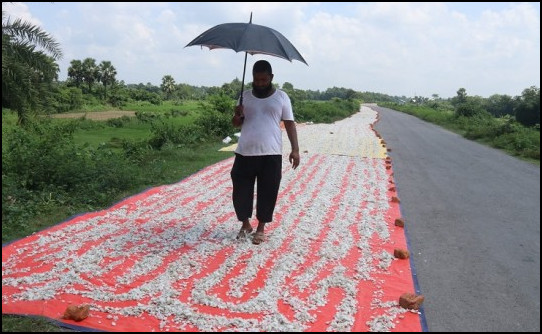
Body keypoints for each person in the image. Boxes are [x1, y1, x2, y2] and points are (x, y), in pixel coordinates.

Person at [230, 60, 300, 245]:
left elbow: (290, 123)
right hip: (245, 152)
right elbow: (236, 123)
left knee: (268, 191)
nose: (260, 83)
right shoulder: (244, 97)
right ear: (252, 78)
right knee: (240, 190)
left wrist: (295, 149)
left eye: (263, 79)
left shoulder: (282, 97)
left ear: (271, 78)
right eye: (256, 79)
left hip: (271, 153)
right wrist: (237, 115)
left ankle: (261, 228)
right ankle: (245, 224)